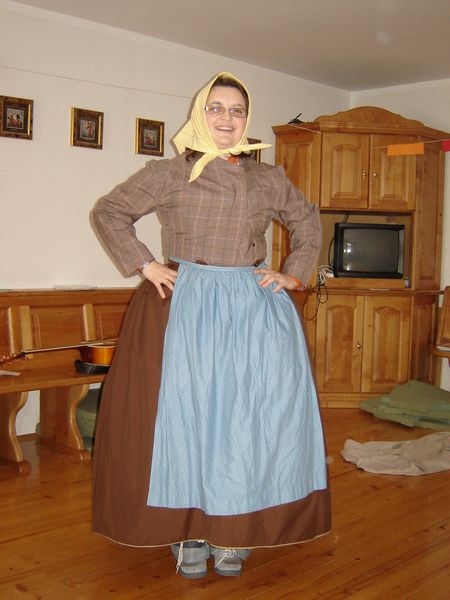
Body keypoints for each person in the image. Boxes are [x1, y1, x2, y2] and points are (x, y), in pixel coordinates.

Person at [91, 71, 331, 579]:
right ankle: (189, 531)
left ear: (247, 119)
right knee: (188, 417)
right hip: (186, 305)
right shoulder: (168, 172)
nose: (227, 118)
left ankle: (233, 528)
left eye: (237, 110)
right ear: (199, 114)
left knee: (247, 419)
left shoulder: (268, 178)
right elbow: (110, 212)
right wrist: (145, 264)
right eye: (216, 108)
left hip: (250, 308)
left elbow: (307, 220)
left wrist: (293, 273)